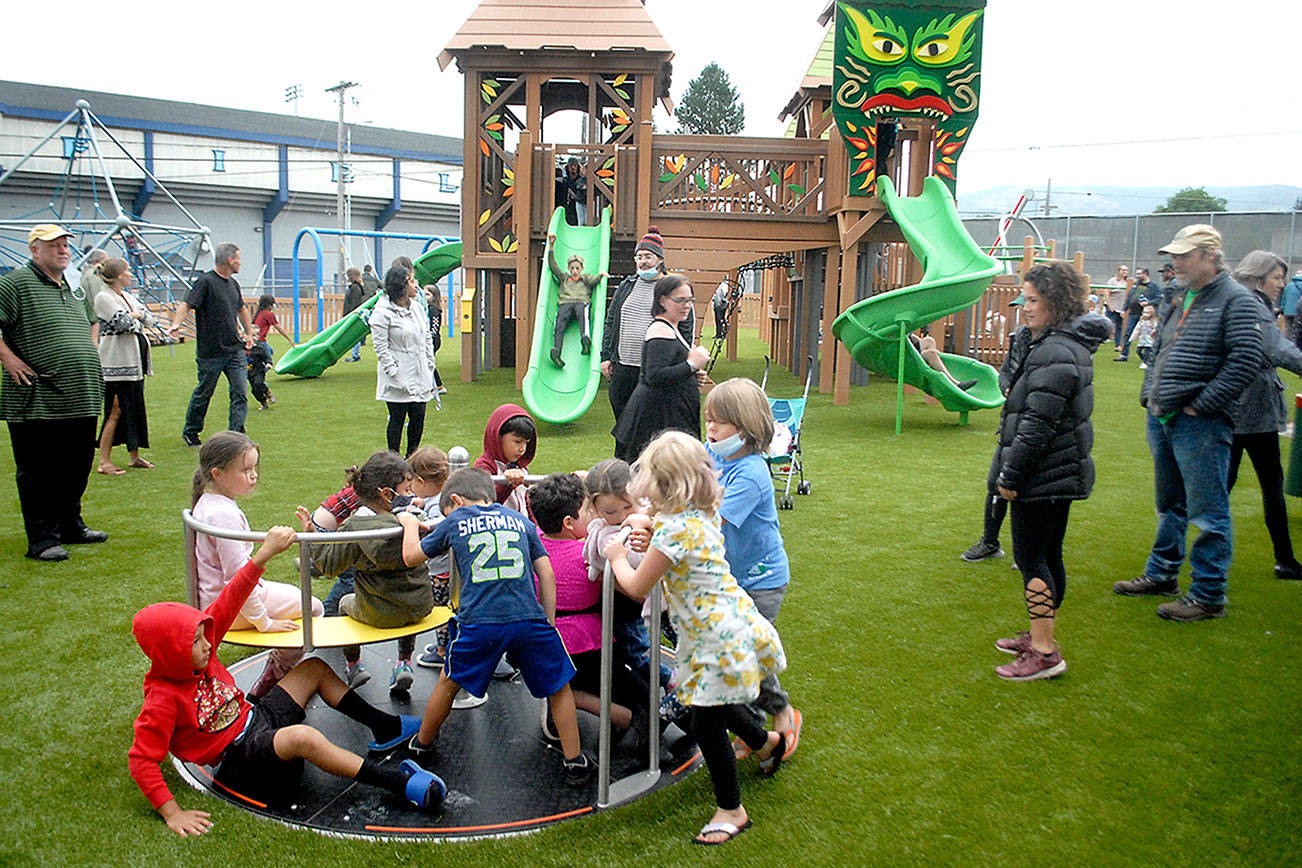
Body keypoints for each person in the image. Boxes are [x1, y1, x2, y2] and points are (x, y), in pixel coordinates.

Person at [129, 525, 442, 837]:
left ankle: (384, 726)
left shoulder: (203, 655)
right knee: (301, 737)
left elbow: (232, 596)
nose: (209, 644)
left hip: (255, 718)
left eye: (203, 635)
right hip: (240, 756)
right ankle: (395, 782)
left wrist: (266, 551)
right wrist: (171, 812)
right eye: (196, 642)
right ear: (172, 653)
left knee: (313, 668)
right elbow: (142, 759)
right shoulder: (162, 699)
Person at [604, 431, 787, 846]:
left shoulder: (671, 533)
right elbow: (658, 524)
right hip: (729, 623)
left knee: (706, 722)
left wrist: (616, 557)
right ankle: (767, 743)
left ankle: (731, 809)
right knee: (717, 702)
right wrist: (639, 521)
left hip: (713, 638)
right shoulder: (697, 513)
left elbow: (635, 586)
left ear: (663, 486)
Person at [396, 468, 596, 786]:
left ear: (457, 501)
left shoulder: (456, 521)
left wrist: (409, 523)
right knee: (559, 687)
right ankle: (574, 760)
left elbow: (410, 556)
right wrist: (548, 622)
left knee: (449, 681)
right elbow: (545, 572)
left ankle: (422, 745)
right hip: (528, 618)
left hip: (479, 621)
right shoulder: (521, 520)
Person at [1114, 225, 1263, 621]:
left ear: (1210, 255)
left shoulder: (1237, 301)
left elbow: (1246, 360)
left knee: (1208, 512)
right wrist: (1150, 395)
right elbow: (1160, 349)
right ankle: (1162, 574)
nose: (1174, 262)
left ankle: (1209, 594)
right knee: (1170, 505)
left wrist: (1202, 406)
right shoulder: (1179, 297)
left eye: (1183, 255)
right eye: (1174, 255)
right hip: (1163, 416)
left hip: (1200, 422)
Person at [990, 262, 1109, 680]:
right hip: (1058, 473)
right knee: (1048, 552)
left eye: (1034, 300)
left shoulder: (1056, 350)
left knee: (1031, 557)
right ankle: (1042, 633)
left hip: (1043, 475)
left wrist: (1010, 477)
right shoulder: (1063, 344)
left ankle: (1043, 651)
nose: (1025, 307)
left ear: (1056, 303)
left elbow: (1036, 427)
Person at [704, 379, 802, 756]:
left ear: (745, 427)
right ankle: (754, 726)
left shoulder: (750, 474)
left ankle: (780, 712)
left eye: (720, 422)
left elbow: (712, 524)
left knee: (747, 653)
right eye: (709, 419)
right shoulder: (713, 455)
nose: (711, 429)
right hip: (731, 578)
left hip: (761, 581)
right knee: (735, 653)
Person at [0, 224, 106, 561]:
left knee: (76, 464)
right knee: (38, 469)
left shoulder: (74, 287)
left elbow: (92, 320)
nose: (63, 250)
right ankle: (42, 539)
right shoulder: (14, 283)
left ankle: (70, 525)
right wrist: (9, 359)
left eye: (65, 245)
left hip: (81, 393)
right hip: (37, 395)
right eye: (54, 245)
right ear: (35, 250)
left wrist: (88, 347)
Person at [191, 431, 324, 698]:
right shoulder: (222, 515)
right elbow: (237, 580)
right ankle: (276, 675)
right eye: (246, 470)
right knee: (313, 609)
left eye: (254, 468)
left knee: (299, 600)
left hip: (215, 598)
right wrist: (263, 621)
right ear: (217, 474)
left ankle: (275, 672)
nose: (254, 476)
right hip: (226, 607)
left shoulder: (210, 503)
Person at [529, 473, 652, 747]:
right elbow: (635, 589)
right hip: (586, 648)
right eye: (590, 510)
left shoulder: (535, 542)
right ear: (569, 523)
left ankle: (563, 697)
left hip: (543, 645)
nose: (596, 516)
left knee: (584, 680)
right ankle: (627, 719)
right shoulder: (585, 555)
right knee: (640, 693)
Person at [298, 451, 433, 697]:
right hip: (421, 605)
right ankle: (404, 661)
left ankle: (353, 665)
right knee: (406, 597)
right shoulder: (413, 520)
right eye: (406, 489)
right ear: (385, 494)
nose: (411, 495)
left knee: (343, 602)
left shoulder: (354, 528)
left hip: (378, 612)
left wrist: (313, 539)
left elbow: (330, 567)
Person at [1226, 251, 1302, 581]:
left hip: (1232, 407)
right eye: (1276, 277)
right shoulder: (1253, 304)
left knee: (1219, 488)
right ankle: (1285, 560)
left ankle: (1177, 557)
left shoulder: (1234, 297)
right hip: (1253, 408)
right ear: (1259, 276)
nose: (1281, 284)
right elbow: (1276, 349)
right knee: (1271, 484)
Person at [581, 459, 677, 712]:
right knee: (628, 649)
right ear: (594, 507)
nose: (622, 517)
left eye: (627, 506)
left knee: (637, 651)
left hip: (639, 602)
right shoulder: (605, 527)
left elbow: (638, 584)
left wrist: (611, 564)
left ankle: (669, 680)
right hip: (622, 604)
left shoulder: (641, 525)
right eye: (610, 512)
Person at [602, 226, 694, 455]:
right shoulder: (627, 286)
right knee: (623, 425)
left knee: (648, 426)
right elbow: (611, 321)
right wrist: (606, 357)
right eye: (639, 257)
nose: (643, 262)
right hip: (623, 368)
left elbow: (686, 329)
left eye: (648, 257)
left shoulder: (672, 289)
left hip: (652, 373)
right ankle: (622, 470)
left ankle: (648, 467)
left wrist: (683, 361)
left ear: (660, 259)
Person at [961, 296, 1033, 562]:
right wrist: (1007, 387)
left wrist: (1024, 391)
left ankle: (1028, 551)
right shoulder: (1020, 337)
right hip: (1010, 423)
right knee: (996, 484)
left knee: (1027, 490)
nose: (1024, 311)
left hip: (1032, 422)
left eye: (1030, 304)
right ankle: (990, 541)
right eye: (1022, 306)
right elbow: (1005, 371)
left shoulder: (1053, 344)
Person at [611, 274, 710, 462]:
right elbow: (654, 375)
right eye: (680, 300)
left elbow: (668, 369)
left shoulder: (671, 327)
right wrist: (691, 365)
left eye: (690, 300)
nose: (687, 305)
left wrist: (690, 374)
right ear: (663, 300)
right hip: (658, 419)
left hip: (668, 415)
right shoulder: (660, 330)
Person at [171, 242, 252, 446]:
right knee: (204, 393)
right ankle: (191, 431)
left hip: (235, 350)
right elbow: (186, 304)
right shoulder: (205, 282)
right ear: (230, 260)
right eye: (239, 259)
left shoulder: (233, 284)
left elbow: (242, 310)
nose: (240, 263)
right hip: (211, 352)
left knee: (240, 392)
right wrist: (175, 325)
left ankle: (236, 435)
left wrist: (249, 333)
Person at [94, 257, 156, 475]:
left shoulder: (128, 296)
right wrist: (136, 317)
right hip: (116, 365)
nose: (131, 274)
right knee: (115, 410)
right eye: (128, 271)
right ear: (119, 275)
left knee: (135, 409)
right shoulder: (104, 297)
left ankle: (134, 456)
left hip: (135, 364)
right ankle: (104, 461)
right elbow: (124, 324)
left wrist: (136, 316)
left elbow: (149, 319)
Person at [370, 265, 436, 457]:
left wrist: (429, 363)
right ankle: (394, 460)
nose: (416, 285)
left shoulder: (417, 308)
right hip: (398, 376)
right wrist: (393, 371)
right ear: (401, 284)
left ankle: (412, 457)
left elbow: (426, 337)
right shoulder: (382, 312)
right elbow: (381, 347)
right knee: (397, 419)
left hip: (420, 371)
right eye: (411, 281)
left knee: (419, 417)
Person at [404, 446, 454, 669]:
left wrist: (413, 521)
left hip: (439, 571)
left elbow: (433, 531)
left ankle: (443, 650)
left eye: (412, 484)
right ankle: (445, 646)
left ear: (421, 481)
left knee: (441, 610)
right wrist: (422, 504)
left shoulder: (437, 509)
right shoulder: (444, 498)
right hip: (447, 568)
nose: (411, 490)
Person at [546, 233, 606, 368]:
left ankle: (585, 339)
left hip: (580, 301)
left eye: (577, 268)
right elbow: (553, 266)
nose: (574, 271)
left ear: (581, 269)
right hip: (565, 303)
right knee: (559, 324)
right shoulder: (564, 278)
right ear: (568, 269)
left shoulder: (585, 278)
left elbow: (594, 280)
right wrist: (551, 246)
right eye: (572, 268)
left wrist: (601, 275)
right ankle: (557, 352)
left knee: (582, 314)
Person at [474, 403, 537, 515]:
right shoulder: (484, 467)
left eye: (526, 443)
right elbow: (486, 504)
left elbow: (525, 502)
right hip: (500, 528)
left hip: (521, 527)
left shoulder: (519, 467)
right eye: (517, 442)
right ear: (498, 437)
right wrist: (508, 484)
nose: (522, 449)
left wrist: (535, 526)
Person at [249, 294, 290, 411]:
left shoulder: (259, 313)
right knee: (263, 367)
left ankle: (260, 381)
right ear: (270, 304)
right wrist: (289, 339)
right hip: (260, 344)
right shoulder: (268, 314)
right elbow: (278, 327)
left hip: (259, 343)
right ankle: (263, 386)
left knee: (269, 352)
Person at [1115, 267, 1162, 361]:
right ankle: (1124, 355)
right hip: (1133, 313)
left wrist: (1148, 303)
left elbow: (1159, 298)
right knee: (1128, 333)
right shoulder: (1135, 285)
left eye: (1139, 274)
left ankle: (1153, 355)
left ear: (1145, 274)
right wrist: (1124, 309)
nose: (1137, 276)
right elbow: (1129, 298)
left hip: (1147, 315)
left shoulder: (1154, 287)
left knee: (1150, 335)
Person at [424, 284, 446, 394]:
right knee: (428, 362)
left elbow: (435, 327)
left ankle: (434, 387)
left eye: (427, 294)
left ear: (434, 296)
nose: (424, 296)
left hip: (433, 339)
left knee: (428, 362)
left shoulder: (434, 309)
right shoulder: (426, 308)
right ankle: (439, 386)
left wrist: (430, 336)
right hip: (430, 339)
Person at [1103, 264, 1130, 352]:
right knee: (1108, 324)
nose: (1125, 272)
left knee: (1120, 327)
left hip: (1122, 308)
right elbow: (1107, 293)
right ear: (1118, 271)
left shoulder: (1128, 283)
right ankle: (1100, 339)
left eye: (1126, 270)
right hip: (1113, 307)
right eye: (1123, 270)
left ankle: (1118, 345)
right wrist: (1110, 306)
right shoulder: (1113, 281)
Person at [344, 267, 366, 362]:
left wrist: (351, 313)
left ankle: (355, 354)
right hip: (351, 313)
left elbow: (354, 303)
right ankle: (355, 354)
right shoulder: (355, 287)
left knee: (354, 336)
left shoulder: (355, 288)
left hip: (352, 313)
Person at [561, 156, 587, 226]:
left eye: (575, 165)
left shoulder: (582, 180)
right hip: (568, 207)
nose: (573, 167)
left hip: (580, 206)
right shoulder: (564, 181)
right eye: (570, 165)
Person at [1283, 267, 1302, 346]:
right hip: (1299, 311)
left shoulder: (1288, 286)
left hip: (1288, 311)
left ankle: (1287, 344)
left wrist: (1282, 309)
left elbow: (1284, 298)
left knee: (1289, 329)